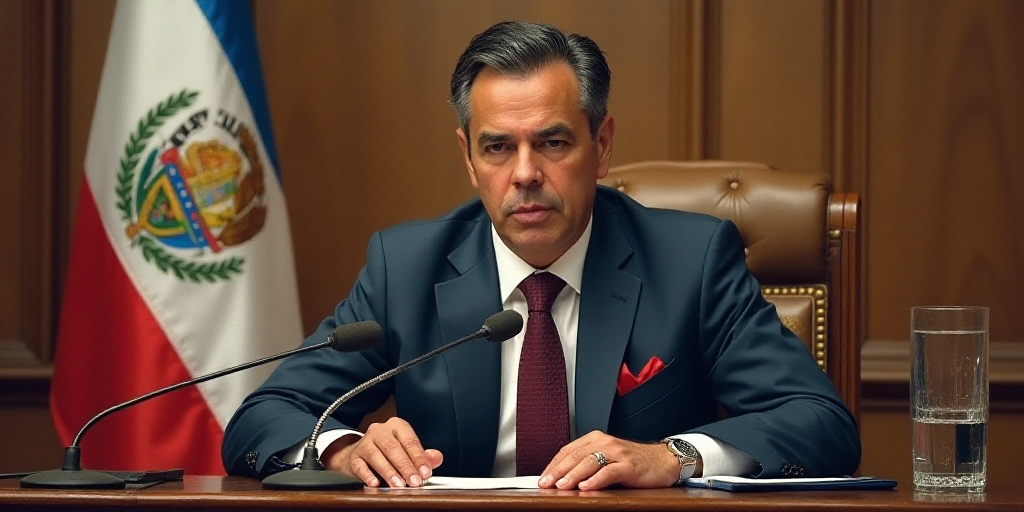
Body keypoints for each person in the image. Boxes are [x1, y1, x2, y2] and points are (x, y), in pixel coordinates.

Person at [222, 20, 860, 491]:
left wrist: (673, 456)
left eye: (553, 142)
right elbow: (262, 419)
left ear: (601, 146)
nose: (525, 174)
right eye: (498, 148)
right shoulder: (406, 267)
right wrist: (343, 447)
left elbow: (821, 424)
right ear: (468, 159)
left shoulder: (690, 262)